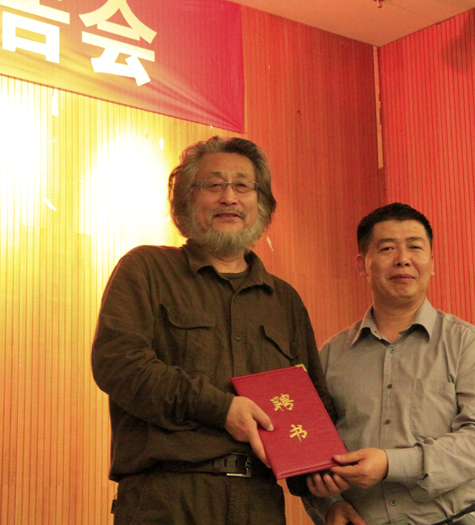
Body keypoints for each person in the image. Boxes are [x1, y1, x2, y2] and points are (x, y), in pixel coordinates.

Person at [91, 136, 334, 525]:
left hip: (260, 502)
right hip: (167, 496)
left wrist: (327, 488)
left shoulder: (284, 299)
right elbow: (118, 363)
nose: (229, 197)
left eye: (243, 186)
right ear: (186, 201)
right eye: (214, 184)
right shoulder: (146, 269)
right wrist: (222, 409)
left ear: (261, 204)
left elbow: (312, 401)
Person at [305, 203, 475, 525]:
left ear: (432, 262)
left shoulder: (467, 344)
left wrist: (391, 464)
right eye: (387, 248)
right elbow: (309, 447)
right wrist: (329, 504)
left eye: (415, 247)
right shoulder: (331, 356)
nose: (402, 259)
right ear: (362, 264)